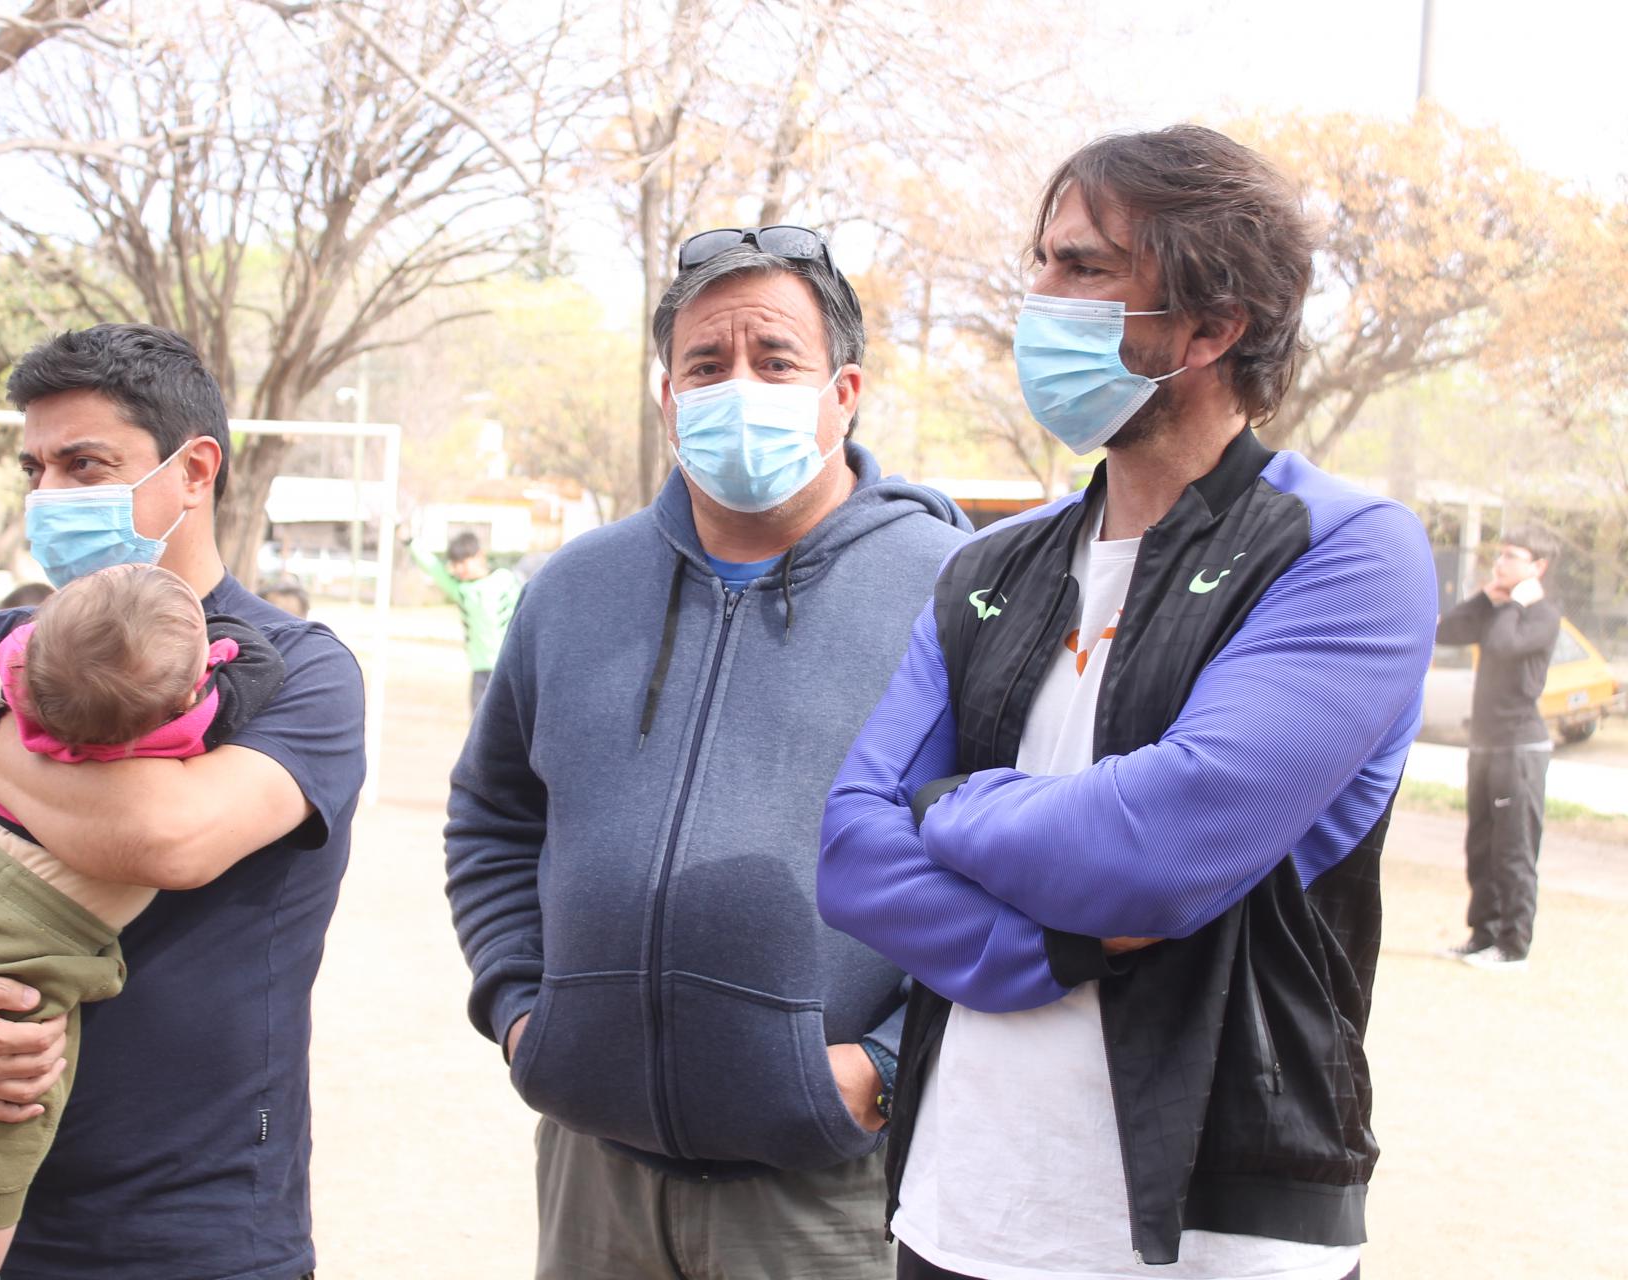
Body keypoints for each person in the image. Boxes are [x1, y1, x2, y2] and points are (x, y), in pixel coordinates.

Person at [817, 126, 1436, 1280]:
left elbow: (1157, 843)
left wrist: (947, 807)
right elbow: (852, 850)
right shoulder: (987, 567)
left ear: (1212, 325)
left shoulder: (1346, 554)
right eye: (1041, 261)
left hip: (1219, 1229)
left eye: (1085, 270)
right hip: (963, 1213)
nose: (1037, 298)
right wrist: (1060, 935)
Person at [444, 225, 969, 1279]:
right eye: (705, 364)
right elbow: (494, 816)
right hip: (595, 1176)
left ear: (845, 389)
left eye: (775, 360)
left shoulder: (955, 589)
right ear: (668, 398)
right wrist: (520, 1009)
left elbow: (1021, 866)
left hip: (831, 1191)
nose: (739, 386)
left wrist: (885, 1066)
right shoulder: (572, 589)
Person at [0, 323, 366, 1280]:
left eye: (85, 464)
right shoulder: (1, 641)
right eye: (35, 468)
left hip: (198, 1235)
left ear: (194, 470)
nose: (49, 497)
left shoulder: (299, 672)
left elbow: (169, 837)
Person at [0, 561, 286, 1280]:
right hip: (20, 945)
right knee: (13, 1118)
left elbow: (3, 677)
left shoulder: (14, 691)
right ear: (186, 692)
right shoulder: (178, 729)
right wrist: (211, 644)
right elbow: (257, 671)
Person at [1435, 526, 1560, 972]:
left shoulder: (1541, 615)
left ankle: (1514, 945)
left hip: (1520, 747)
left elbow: (1504, 646)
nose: (1500, 562)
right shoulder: (1499, 609)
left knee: (1513, 848)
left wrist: (1517, 602)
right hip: (1484, 745)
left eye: (1512, 556)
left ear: (1537, 567)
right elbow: (1445, 630)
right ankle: (1483, 935)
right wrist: (1486, 599)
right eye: (1499, 555)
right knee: (1482, 845)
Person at [402, 527, 520, 710]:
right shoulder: (462, 590)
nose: (459, 569)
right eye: (455, 564)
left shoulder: (504, 580)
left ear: (480, 556)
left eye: (464, 562)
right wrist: (410, 541)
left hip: (509, 667)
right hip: (480, 669)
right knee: (480, 726)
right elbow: (433, 567)